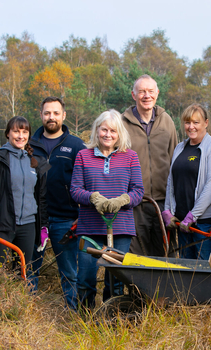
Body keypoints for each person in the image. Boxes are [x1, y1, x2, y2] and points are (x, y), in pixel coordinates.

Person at [71, 109, 144, 308]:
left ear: (119, 133)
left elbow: (138, 191)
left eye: (113, 131)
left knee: (116, 280)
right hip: (90, 228)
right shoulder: (83, 156)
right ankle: (85, 319)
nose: (108, 135)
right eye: (104, 130)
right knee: (85, 277)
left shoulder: (130, 157)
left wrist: (123, 200)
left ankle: (111, 318)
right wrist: (93, 197)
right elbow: (75, 190)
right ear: (96, 130)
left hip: (120, 227)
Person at [29, 97, 86, 311]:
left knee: (69, 271)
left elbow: (86, 181)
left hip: (66, 218)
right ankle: (27, 314)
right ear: (41, 115)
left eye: (55, 113)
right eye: (47, 113)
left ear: (63, 115)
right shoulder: (30, 144)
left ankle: (72, 314)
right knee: (30, 268)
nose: (51, 117)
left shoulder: (76, 145)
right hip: (34, 219)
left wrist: (82, 215)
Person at [0, 116, 49, 277]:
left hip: (28, 226)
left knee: (21, 274)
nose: (20, 136)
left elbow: (42, 197)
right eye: (16, 131)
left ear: (29, 135)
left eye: (24, 132)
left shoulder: (35, 162)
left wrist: (43, 226)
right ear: (8, 134)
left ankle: (19, 302)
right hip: (3, 225)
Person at [121, 74, 178, 257]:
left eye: (151, 91)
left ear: (157, 93)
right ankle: (138, 287)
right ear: (133, 95)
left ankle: (166, 286)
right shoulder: (122, 123)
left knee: (165, 251)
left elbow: (174, 156)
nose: (147, 96)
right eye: (142, 92)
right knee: (138, 253)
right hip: (135, 202)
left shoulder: (166, 120)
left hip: (164, 202)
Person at [162, 104, 211, 260]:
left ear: (206, 123)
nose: (191, 127)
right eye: (187, 122)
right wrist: (168, 210)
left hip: (203, 223)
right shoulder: (179, 148)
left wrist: (193, 216)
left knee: (204, 266)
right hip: (182, 222)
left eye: (196, 122)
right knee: (186, 265)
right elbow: (171, 181)